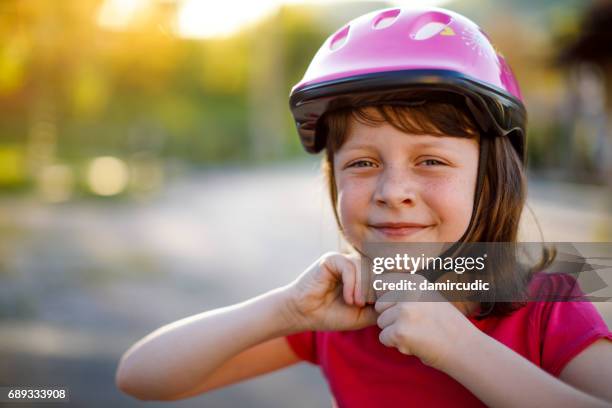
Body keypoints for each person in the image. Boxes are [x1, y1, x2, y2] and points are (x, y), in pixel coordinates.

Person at [115, 7, 612, 406]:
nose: (393, 191)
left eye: (432, 160)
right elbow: (142, 377)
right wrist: (286, 308)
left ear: (493, 177)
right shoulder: (347, 313)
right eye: (362, 163)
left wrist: (459, 347)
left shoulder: (550, 304)